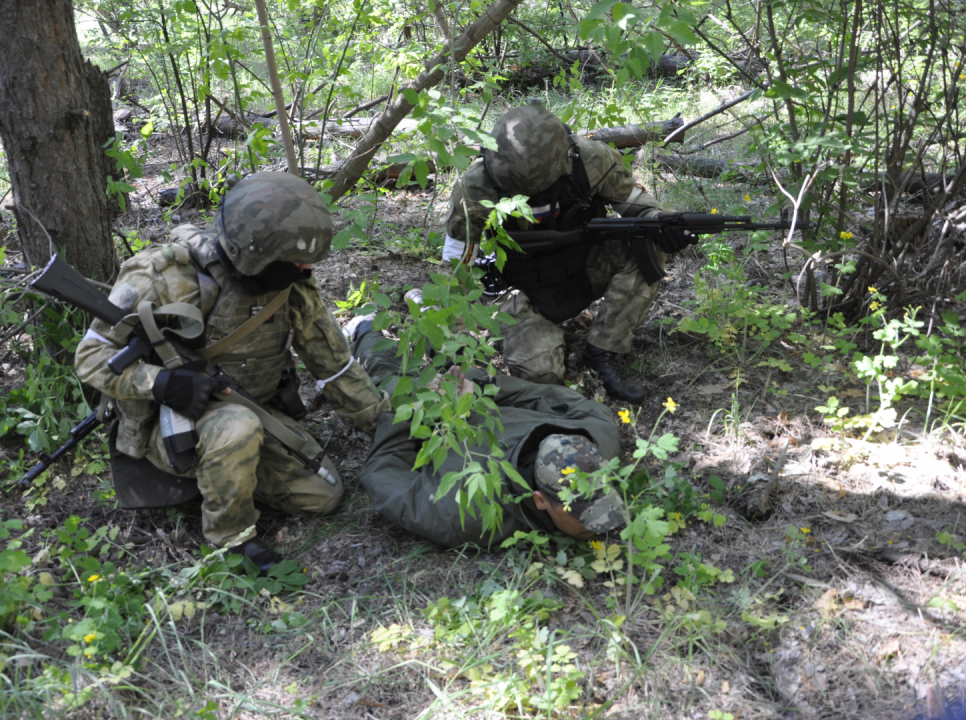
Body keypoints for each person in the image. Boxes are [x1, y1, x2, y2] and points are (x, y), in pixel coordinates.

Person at [75, 173, 389, 571]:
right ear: (256, 252)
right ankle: (232, 540)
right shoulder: (163, 277)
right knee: (236, 427)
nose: (307, 267)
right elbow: (89, 358)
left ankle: (222, 473)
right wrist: (163, 383)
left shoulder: (291, 283)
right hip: (170, 421)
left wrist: (382, 422)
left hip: (248, 409)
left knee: (321, 495)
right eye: (296, 260)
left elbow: (334, 364)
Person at [442, 101, 696, 404]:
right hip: (516, 289)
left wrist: (661, 224)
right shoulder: (475, 188)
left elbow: (635, 204)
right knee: (540, 377)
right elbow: (455, 268)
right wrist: (452, 345)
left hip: (583, 265)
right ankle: (532, 335)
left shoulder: (590, 160)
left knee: (646, 242)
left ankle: (603, 352)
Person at [346, 316, 626, 548]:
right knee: (459, 356)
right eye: (582, 513)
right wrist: (478, 389)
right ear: (541, 500)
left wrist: (410, 415)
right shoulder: (598, 434)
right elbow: (550, 397)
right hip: (473, 396)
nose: (601, 523)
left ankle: (364, 329)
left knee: (388, 382)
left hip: (423, 423)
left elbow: (382, 474)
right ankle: (421, 316)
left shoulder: (462, 515)